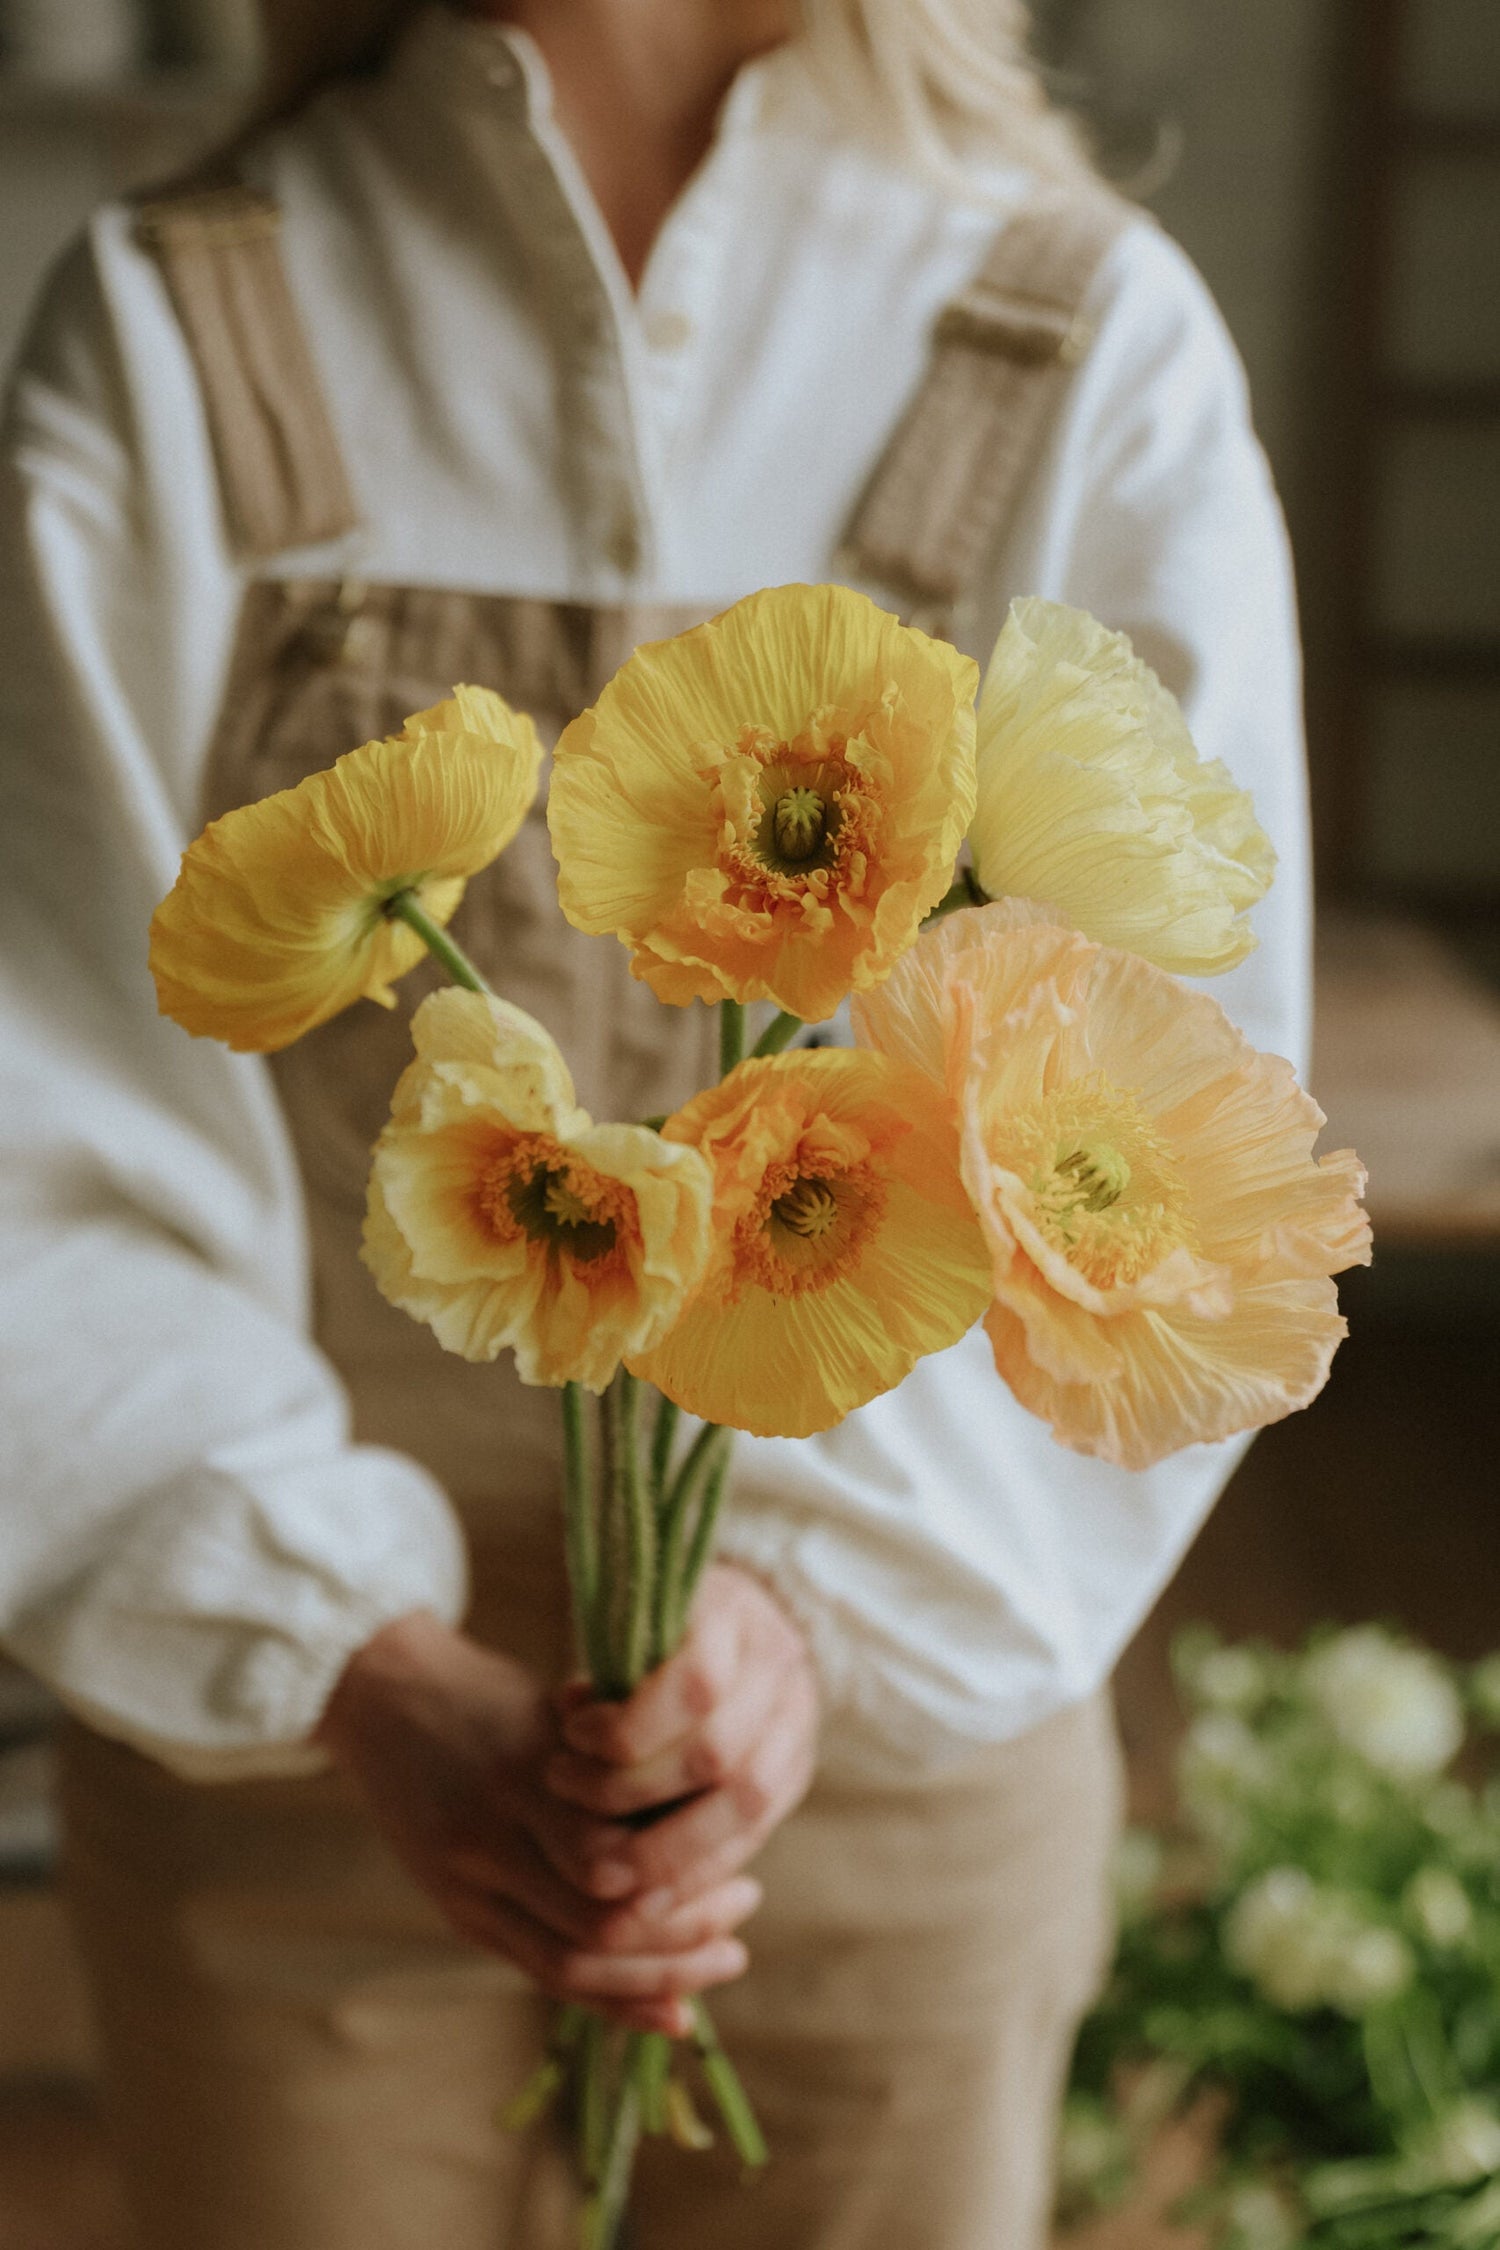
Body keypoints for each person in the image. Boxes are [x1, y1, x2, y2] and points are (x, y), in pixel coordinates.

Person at [0, 2, 1311, 2245]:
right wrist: (345, 1656)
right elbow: (32, 1104)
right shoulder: (172, 312)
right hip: (285, 1743)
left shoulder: (1086, 331)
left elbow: (1184, 1137)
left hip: (902, 1742)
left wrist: (804, 1627)